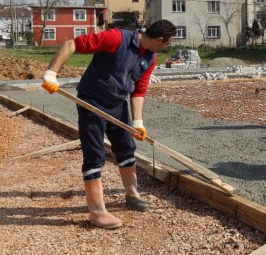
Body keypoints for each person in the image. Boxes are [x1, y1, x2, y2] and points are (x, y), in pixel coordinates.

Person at [41, 19, 176, 229]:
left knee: (126, 149)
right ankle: (97, 212)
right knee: (95, 155)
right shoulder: (117, 38)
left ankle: (132, 195)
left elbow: (139, 89)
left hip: (117, 103)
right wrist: (51, 74)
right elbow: (71, 44)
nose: (168, 47)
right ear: (160, 39)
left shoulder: (150, 58)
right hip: (92, 101)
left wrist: (138, 122)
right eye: (168, 43)